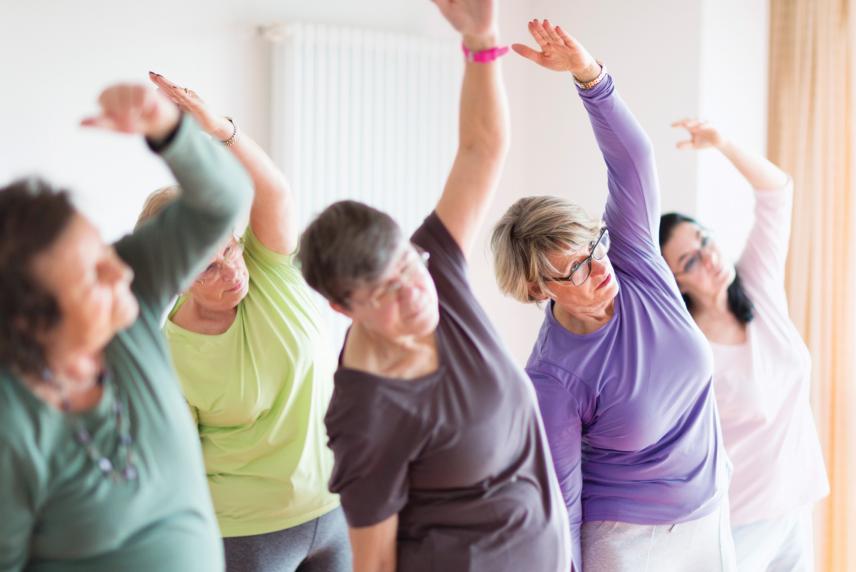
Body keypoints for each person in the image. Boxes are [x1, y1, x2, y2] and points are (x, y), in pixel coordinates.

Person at [295, 1, 571, 571]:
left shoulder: (436, 266)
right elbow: (373, 564)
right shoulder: (366, 411)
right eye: (385, 293)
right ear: (342, 307)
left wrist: (482, 41)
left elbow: (481, 148)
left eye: (406, 267)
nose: (413, 293)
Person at [490, 20, 735, 572]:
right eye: (572, 268)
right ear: (536, 289)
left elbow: (634, 159)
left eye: (591, 246)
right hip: (630, 544)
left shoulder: (634, 262)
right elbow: (561, 504)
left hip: (712, 514)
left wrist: (587, 75)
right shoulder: (554, 378)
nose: (597, 267)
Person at [0, 83, 252, 570]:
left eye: (104, 252)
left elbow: (222, 201)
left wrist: (169, 129)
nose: (118, 270)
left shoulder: (133, 295)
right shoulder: (13, 427)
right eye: (93, 274)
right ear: (32, 320)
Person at [136, 72, 348, 572]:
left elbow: (272, 190)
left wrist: (218, 129)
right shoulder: (169, 355)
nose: (232, 269)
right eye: (208, 266)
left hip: (336, 508)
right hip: (247, 536)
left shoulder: (269, 269)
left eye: (228, 246)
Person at [659, 119, 829, 571]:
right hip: (738, 523)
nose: (709, 257)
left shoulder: (757, 284)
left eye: (705, 240)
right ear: (675, 280)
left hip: (795, 505)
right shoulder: (686, 348)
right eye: (690, 259)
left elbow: (777, 192)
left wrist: (723, 144)